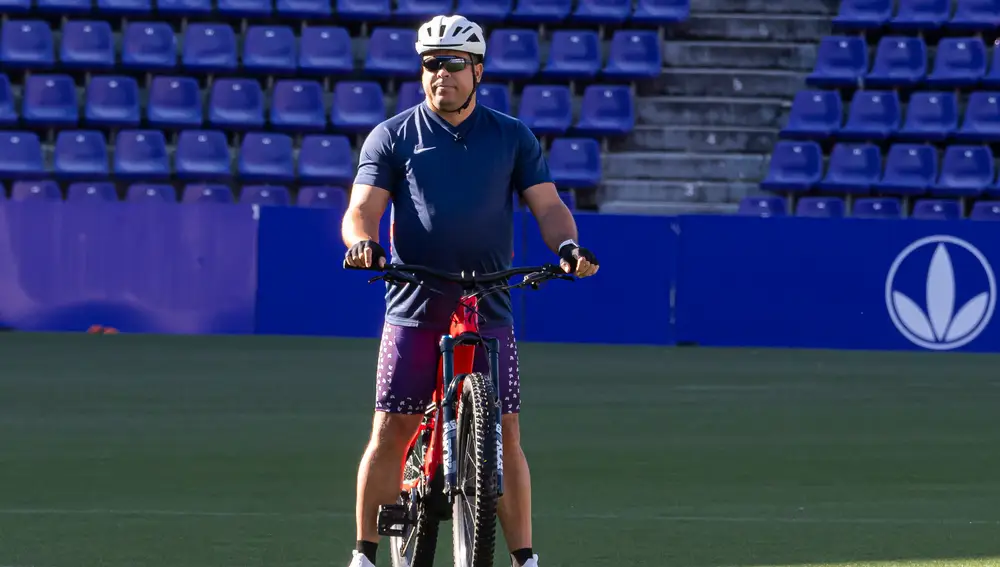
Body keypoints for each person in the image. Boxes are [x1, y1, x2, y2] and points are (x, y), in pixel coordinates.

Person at [341, 14, 599, 567]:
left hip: (489, 299)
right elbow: (361, 209)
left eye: (455, 64)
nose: (442, 75)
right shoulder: (392, 135)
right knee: (392, 425)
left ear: (477, 71)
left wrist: (569, 249)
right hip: (414, 298)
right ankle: (363, 554)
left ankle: (525, 557)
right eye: (432, 64)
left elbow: (548, 206)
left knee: (505, 431)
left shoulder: (511, 136)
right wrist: (362, 241)